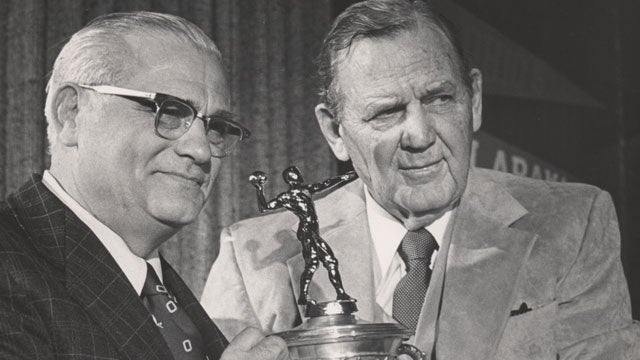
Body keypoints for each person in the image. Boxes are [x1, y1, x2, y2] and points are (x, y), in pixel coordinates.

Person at [201, 0, 639, 359]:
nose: (421, 134)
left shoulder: (573, 224)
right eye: (387, 112)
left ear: (475, 100)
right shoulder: (256, 258)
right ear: (335, 131)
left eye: (440, 98)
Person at [0, 11, 288, 360]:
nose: (200, 150)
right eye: (168, 110)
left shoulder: (158, 287)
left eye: (215, 127)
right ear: (72, 113)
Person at [249, 166, 358, 306]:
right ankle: (337, 294)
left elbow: (325, 184)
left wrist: (343, 177)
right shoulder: (287, 197)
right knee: (327, 262)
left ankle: (310, 296)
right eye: (295, 173)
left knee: (315, 264)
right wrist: (259, 189)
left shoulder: (306, 190)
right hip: (307, 232)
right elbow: (264, 208)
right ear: (290, 178)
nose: (299, 174)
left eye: (298, 172)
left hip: (312, 231)